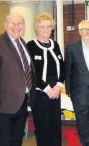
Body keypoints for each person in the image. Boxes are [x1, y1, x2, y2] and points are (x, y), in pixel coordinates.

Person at [0, 12, 36, 146]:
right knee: (4, 141)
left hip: (22, 103)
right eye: (12, 23)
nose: (16, 27)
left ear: (23, 26)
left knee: (17, 140)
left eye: (19, 24)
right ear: (5, 25)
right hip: (3, 106)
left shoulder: (22, 42)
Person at [26, 12, 65, 146]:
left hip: (56, 92)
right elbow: (31, 71)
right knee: (43, 127)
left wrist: (59, 86)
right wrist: (47, 89)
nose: (46, 29)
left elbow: (62, 67)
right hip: (40, 93)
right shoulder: (31, 45)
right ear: (37, 28)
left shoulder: (55, 45)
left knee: (55, 126)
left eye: (48, 26)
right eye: (42, 26)